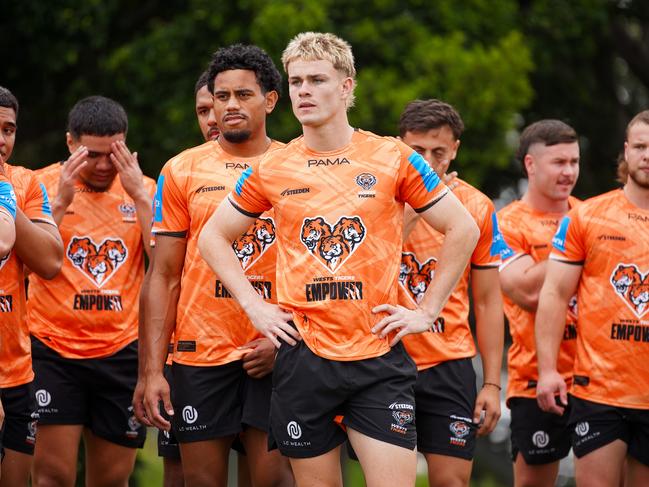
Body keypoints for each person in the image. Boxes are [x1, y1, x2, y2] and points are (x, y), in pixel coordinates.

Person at [196, 32, 479, 487]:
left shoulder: (392, 156)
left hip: (378, 354)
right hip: (304, 357)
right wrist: (254, 306)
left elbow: (463, 227)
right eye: (296, 81)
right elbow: (212, 237)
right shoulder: (274, 165)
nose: (303, 91)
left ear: (346, 87)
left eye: (317, 80)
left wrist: (427, 312)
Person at [141, 45, 294, 487]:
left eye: (243, 95)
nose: (229, 106)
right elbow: (164, 275)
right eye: (221, 96)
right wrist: (153, 371)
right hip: (199, 353)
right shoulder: (181, 169)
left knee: (271, 482)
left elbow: (318, 271)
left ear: (269, 101)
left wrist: (288, 340)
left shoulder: (297, 167)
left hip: (272, 351)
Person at [28, 95, 155, 487]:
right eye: (92, 154)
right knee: (52, 476)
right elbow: (29, 258)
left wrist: (139, 196)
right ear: (70, 143)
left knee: (112, 480)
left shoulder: (144, 189)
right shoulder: (38, 186)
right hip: (51, 349)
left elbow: (164, 262)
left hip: (121, 352)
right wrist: (62, 202)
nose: (103, 166)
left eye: (113, 154)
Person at [536, 110, 649, 487]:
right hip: (599, 388)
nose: (647, 155)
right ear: (626, 152)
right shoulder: (588, 217)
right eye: (640, 146)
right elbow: (553, 294)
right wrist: (549, 370)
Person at [398, 99, 505, 486]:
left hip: (449, 362)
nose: (427, 161)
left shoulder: (477, 206)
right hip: (386, 358)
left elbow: (489, 301)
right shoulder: (379, 200)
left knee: (453, 481)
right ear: (399, 145)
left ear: (455, 149)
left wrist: (492, 384)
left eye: (438, 152)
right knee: (393, 478)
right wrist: (419, 205)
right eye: (416, 152)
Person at [497, 120, 580, 487]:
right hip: (534, 379)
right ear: (530, 164)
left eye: (574, 162)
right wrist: (576, 246)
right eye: (558, 162)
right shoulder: (503, 224)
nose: (569, 172)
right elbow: (527, 291)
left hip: (602, 379)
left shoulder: (591, 215)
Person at [0, 86, 63, 487]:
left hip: (16, 371)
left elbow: (50, 261)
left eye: (8, 129)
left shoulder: (24, 183)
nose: (1, 139)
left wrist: (6, 200)